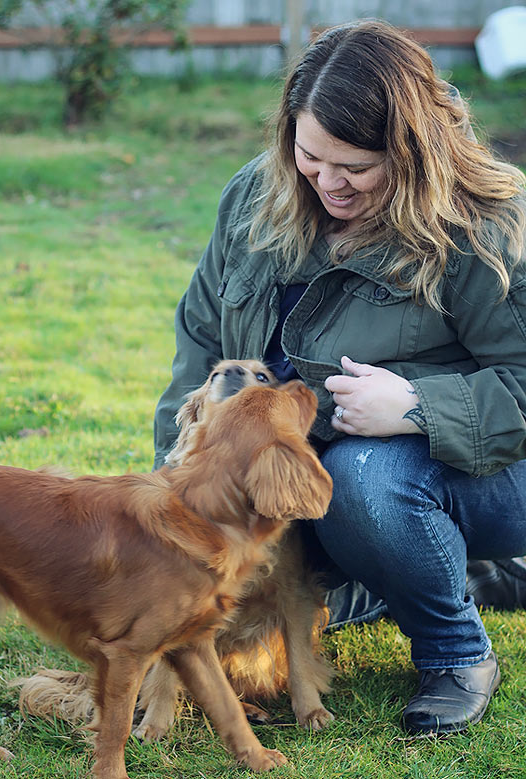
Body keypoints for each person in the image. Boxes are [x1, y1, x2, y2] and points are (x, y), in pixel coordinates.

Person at [153, 19, 526, 735]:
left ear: (411, 151)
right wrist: (181, 476)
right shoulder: (256, 197)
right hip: (305, 473)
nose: (327, 181)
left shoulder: (483, 226)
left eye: (354, 165)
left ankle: (455, 652)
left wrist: (419, 406)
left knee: (362, 481)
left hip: (483, 469)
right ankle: (438, 575)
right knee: (272, 553)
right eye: (309, 155)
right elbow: (200, 342)